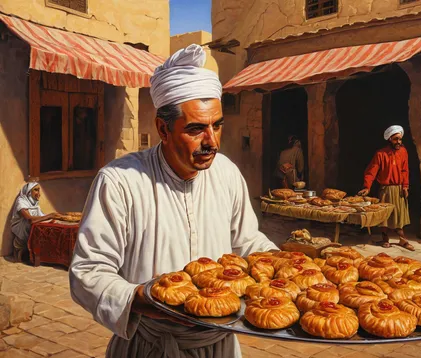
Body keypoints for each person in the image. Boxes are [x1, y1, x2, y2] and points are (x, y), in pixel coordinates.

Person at [69, 44, 279, 358]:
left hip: (220, 344)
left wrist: (284, 264)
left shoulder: (227, 173)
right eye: (196, 129)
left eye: (217, 125)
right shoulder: (120, 181)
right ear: (163, 129)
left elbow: (246, 242)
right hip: (150, 345)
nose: (212, 141)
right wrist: (146, 299)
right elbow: (88, 272)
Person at [358, 125, 415, 251]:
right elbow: (371, 171)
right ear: (390, 139)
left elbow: (405, 170)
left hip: (399, 189)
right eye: (395, 139)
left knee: (399, 215)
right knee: (385, 216)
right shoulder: (381, 154)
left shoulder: (403, 152)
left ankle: (403, 240)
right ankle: (385, 239)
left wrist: (405, 186)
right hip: (386, 190)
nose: (398, 142)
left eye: (400, 139)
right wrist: (367, 186)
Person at [11, 182, 57, 262]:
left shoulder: (33, 202)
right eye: (36, 190)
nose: (39, 194)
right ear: (29, 192)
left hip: (31, 224)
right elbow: (30, 219)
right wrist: (49, 216)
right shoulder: (21, 202)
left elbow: (40, 216)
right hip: (21, 227)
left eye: (39, 190)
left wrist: (50, 219)